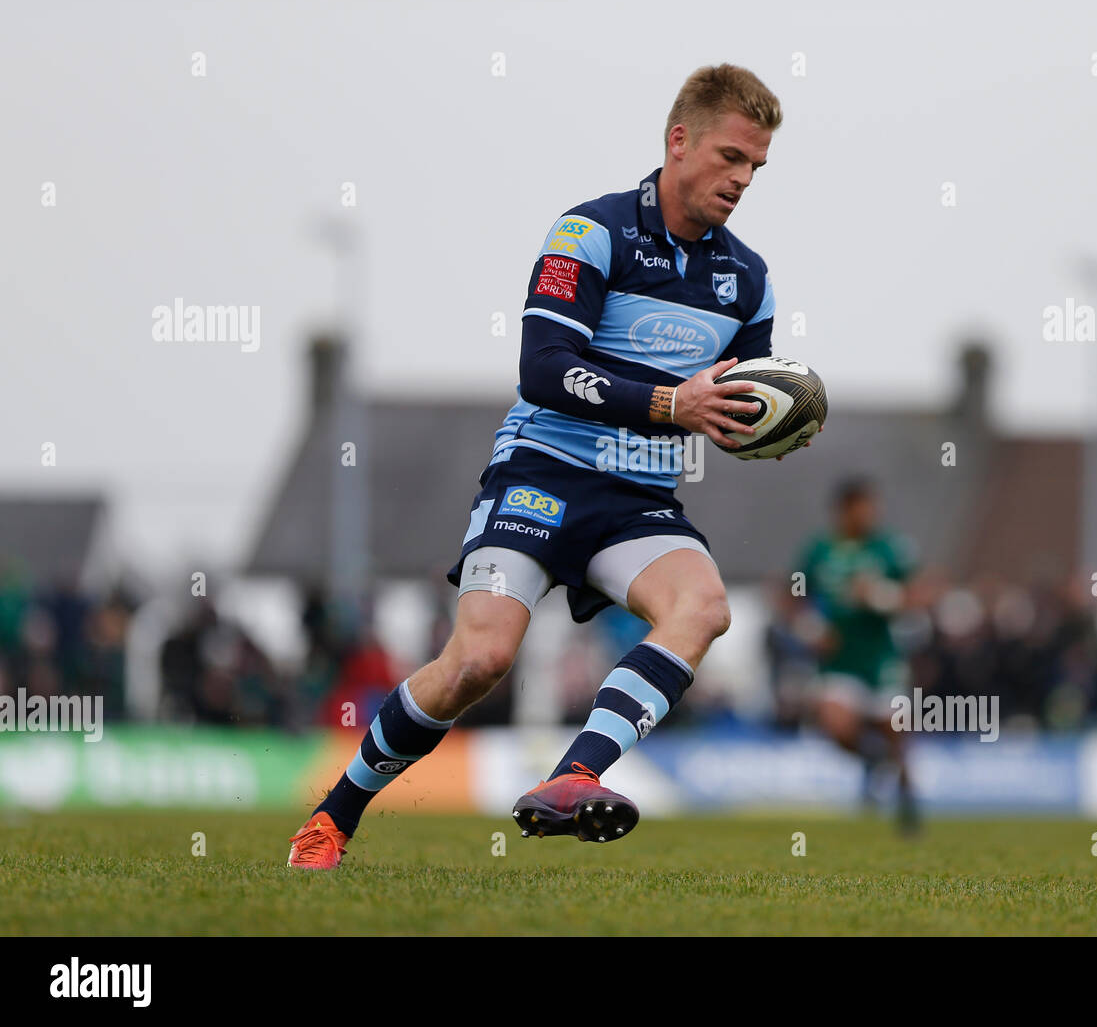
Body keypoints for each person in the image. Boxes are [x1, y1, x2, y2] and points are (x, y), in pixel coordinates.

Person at [288, 63, 809, 868]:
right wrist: (674, 405)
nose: (743, 180)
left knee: (703, 606)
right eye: (732, 157)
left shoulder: (750, 280)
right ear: (679, 142)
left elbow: (735, 404)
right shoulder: (589, 233)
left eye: (756, 167)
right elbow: (544, 366)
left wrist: (759, 426)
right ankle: (335, 814)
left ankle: (573, 775)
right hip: (540, 476)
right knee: (479, 661)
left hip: (638, 499)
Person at [796, 478, 923, 834]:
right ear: (845, 510)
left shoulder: (890, 548)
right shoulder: (820, 550)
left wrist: (884, 597)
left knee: (896, 731)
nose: (871, 515)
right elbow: (795, 594)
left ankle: (908, 801)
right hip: (840, 658)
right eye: (864, 508)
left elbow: (922, 592)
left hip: (881, 655)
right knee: (835, 726)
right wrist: (811, 627)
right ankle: (872, 759)